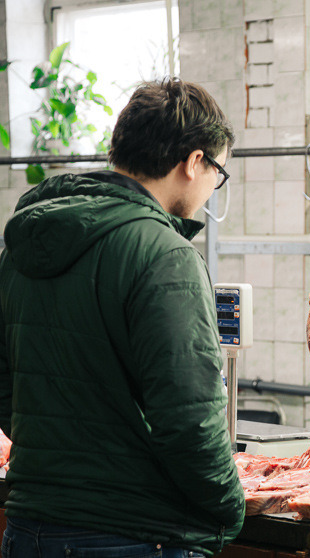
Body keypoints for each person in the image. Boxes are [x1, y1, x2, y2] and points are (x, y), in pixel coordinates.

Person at [0, 78, 245, 557]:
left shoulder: (20, 247)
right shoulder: (165, 254)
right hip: (134, 533)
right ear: (194, 161)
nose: (211, 189)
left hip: (29, 527)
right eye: (217, 172)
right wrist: (228, 509)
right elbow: (189, 420)